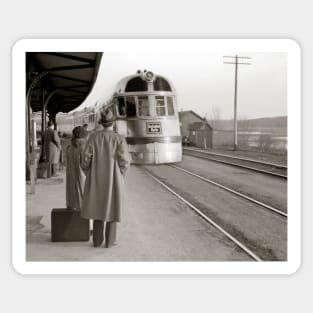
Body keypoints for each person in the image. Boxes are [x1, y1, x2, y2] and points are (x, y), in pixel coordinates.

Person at [81, 109, 130, 248]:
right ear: (113, 123)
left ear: (101, 123)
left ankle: (96, 241)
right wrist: (121, 175)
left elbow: (85, 160)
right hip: (113, 179)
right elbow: (125, 161)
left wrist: (89, 173)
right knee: (112, 208)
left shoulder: (92, 137)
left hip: (95, 178)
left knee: (97, 207)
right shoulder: (119, 139)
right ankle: (110, 241)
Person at [65, 126, 88, 210]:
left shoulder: (69, 148)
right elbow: (86, 166)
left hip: (71, 179)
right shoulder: (84, 148)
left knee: (72, 200)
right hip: (82, 179)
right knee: (82, 201)